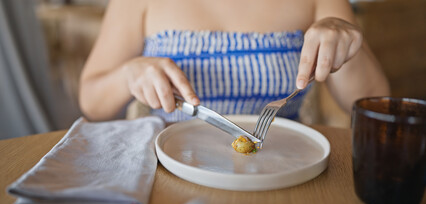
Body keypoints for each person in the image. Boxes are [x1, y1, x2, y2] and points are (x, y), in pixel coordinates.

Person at [79, 0, 390, 122]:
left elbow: (374, 105)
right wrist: (128, 75)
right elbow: (92, 102)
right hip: (166, 176)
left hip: (286, 174)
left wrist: (349, 43)